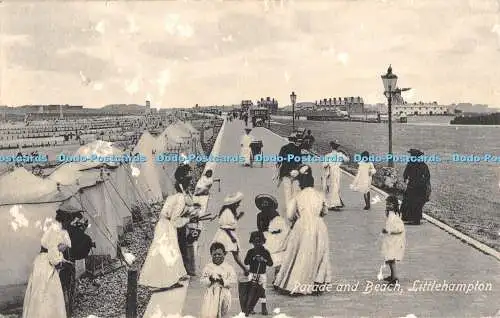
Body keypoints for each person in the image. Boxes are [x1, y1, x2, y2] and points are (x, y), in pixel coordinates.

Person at [274, 165, 332, 295]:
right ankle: (317, 282)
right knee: (319, 252)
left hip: (302, 225)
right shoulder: (319, 195)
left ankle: (296, 283)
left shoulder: (297, 196)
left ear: (300, 184)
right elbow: (325, 211)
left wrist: (298, 216)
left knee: (300, 253)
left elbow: (289, 215)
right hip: (319, 225)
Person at [139, 185, 198, 289]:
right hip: (167, 227)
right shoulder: (181, 200)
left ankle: (170, 278)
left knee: (164, 252)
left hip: (162, 224)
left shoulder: (174, 196)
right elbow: (175, 220)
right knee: (169, 252)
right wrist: (188, 219)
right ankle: (167, 281)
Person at [23, 210, 73, 318]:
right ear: (65, 220)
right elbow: (53, 255)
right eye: (69, 221)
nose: (69, 223)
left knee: (43, 293)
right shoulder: (55, 230)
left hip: (43, 262)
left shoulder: (56, 228)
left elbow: (55, 251)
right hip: (45, 264)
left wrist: (63, 260)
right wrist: (61, 263)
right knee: (46, 292)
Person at [212, 192, 249, 275]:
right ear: (233, 204)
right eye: (237, 203)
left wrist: (239, 216)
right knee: (223, 253)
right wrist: (232, 237)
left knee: (234, 252)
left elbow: (231, 223)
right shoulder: (227, 212)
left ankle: (245, 269)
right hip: (225, 234)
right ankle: (217, 269)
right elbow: (225, 226)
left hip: (228, 233)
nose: (238, 205)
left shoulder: (230, 211)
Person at [200, 242, 237, 318]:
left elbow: (233, 281)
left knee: (222, 312)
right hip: (211, 294)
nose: (217, 256)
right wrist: (209, 279)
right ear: (211, 255)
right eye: (214, 254)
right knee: (211, 312)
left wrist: (223, 281)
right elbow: (202, 281)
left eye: (219, 254)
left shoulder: (228, 268)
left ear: (224, 254)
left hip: (224, 293)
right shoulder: (208, 267)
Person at [255, 194, 288, 270]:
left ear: (269, 204)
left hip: (275, 237)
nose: (264, 205)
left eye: (266, 203)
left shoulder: (274, 214)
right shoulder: (259, 215)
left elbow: (279, 226)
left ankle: (277, 272)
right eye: (263, 203)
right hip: (264, 236)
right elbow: (259, 228)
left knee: (277, 255)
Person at [244, 231, 273, 316]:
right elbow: (246, 262)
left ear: (263, 241)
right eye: (255, 242)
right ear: (252, 242)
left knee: (262, 291)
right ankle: (249, 308)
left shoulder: (266, 252)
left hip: (262, 275)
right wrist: (253, 258)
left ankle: (264, 308)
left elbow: (271, 263)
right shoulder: (250, 252)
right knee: (252, 291)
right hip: (252, 274)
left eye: (259, 241)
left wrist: (264, 260)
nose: (257, 244)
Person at [401, 149, 431, 225]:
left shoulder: (410, 164)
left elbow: (405, 175)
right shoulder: (423, 164)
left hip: (413, 186)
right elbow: (427, 176)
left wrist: (405, 179)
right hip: (421, 187)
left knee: (410, 201)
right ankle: (416, 218)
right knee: (418, 203)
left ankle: (410, 218)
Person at [381, 195, 406, 285]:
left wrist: (389, 231)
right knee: (389, 259)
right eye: (387, 204)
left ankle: (395, 278)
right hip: (390, 241)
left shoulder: (395, 216)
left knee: (391, 259)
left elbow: (399, 230)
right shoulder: (390, 214)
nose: (388, 206)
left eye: (390, 204)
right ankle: (392, 276)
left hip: (395, 241)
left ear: (395, 205)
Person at [276, 133, 302, 215]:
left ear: (289, 139)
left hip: (285, 172)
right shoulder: (297, 149)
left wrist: (278, 167)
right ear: (295, 140)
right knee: (295, 189)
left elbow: (279, 160)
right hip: (294, 172)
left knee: (287, 190)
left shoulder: (284, 148)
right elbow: (299, 162)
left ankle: (289, 207)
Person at [323, 141, 350, 211]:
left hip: (330, 171)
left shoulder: (328, 155)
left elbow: (324, 165)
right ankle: (334, 203)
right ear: (337, 147)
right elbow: (347, 160)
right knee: (336, 186)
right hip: (337, 171)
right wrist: (345, 152)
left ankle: (331, 203)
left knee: (331, 187)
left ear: (331, 147)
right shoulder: (340, 154)